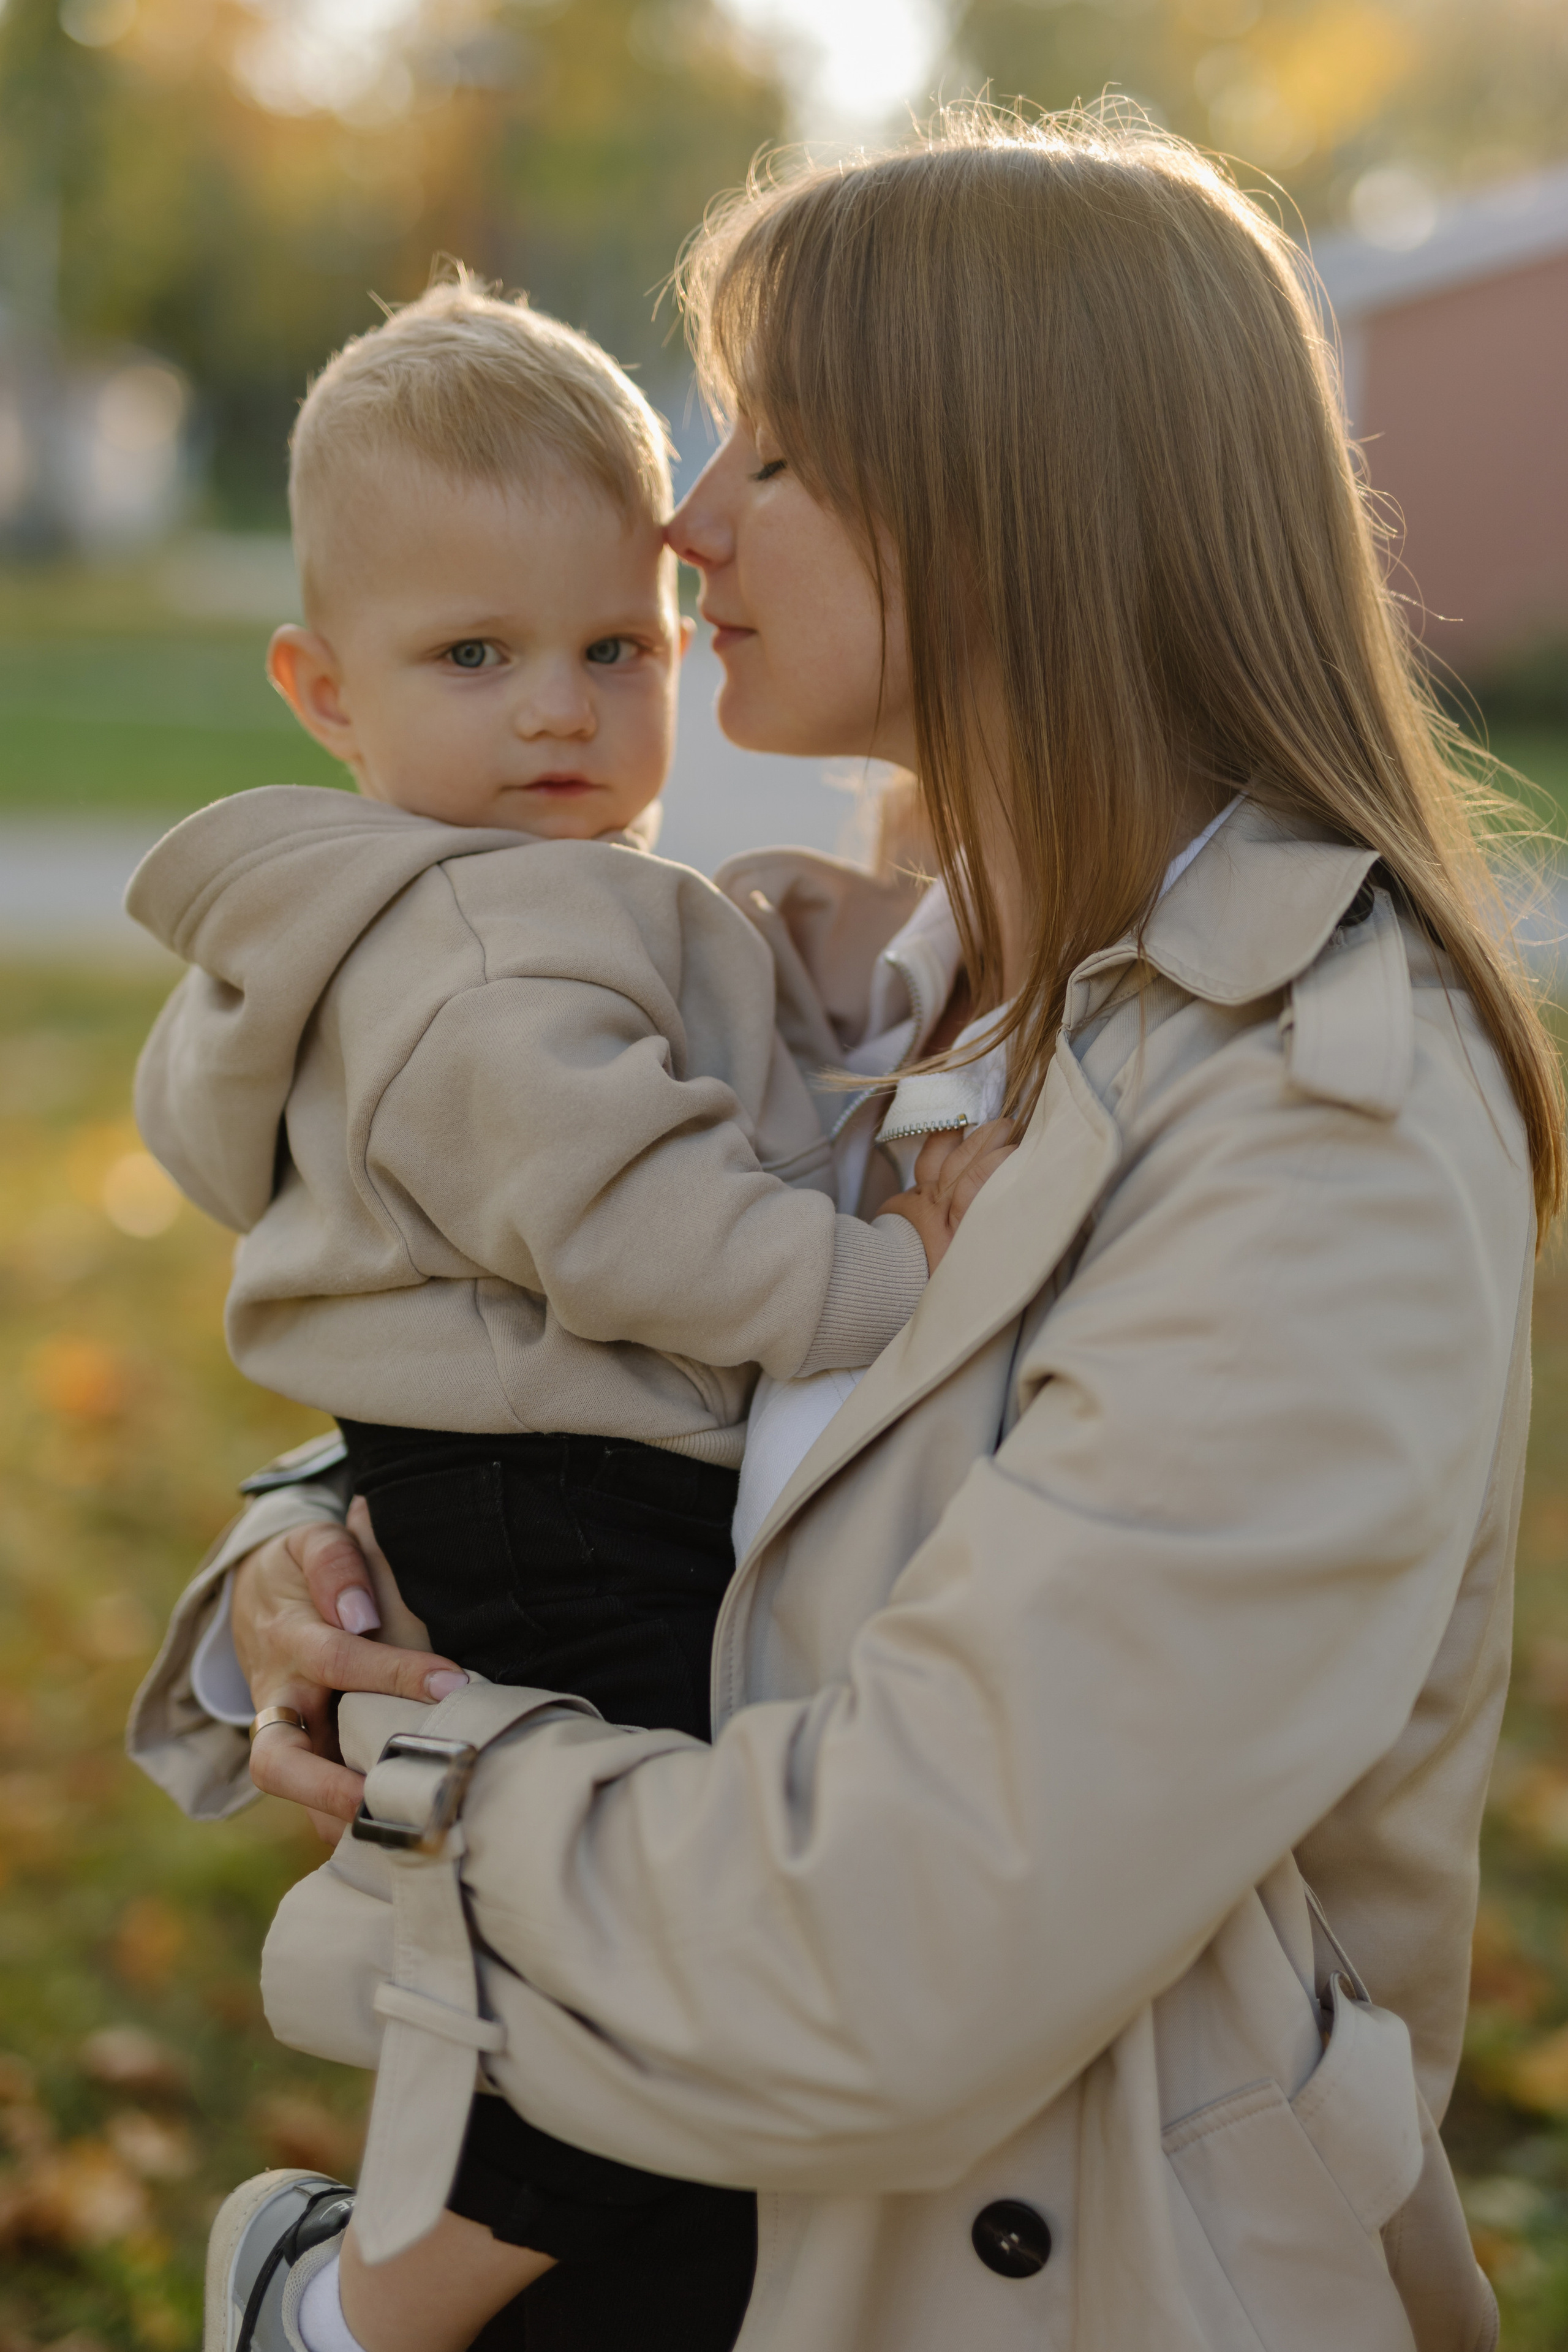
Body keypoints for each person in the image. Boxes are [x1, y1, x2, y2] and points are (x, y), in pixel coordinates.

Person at [131, 108, 1561, 2352]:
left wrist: (420, 1786)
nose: (689, 525)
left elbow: (897, 1955)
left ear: (1015, 501)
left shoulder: (1317, 1117)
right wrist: (312, 1583)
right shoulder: (913, 989)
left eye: (778, 454)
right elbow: (674, 1416)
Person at [124, 274, 1013, 2352]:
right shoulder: (470, 950)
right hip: (550, 1497)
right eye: (476, 656)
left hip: (558, 1467)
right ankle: (351, 2309)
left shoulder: (555, 900)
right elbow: (640, 1227)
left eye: (616, 649)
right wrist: (907, 1282)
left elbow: (745, 1023)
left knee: (656, 1971)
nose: (557, 709)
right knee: (674, 1974)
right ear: (322, 689)